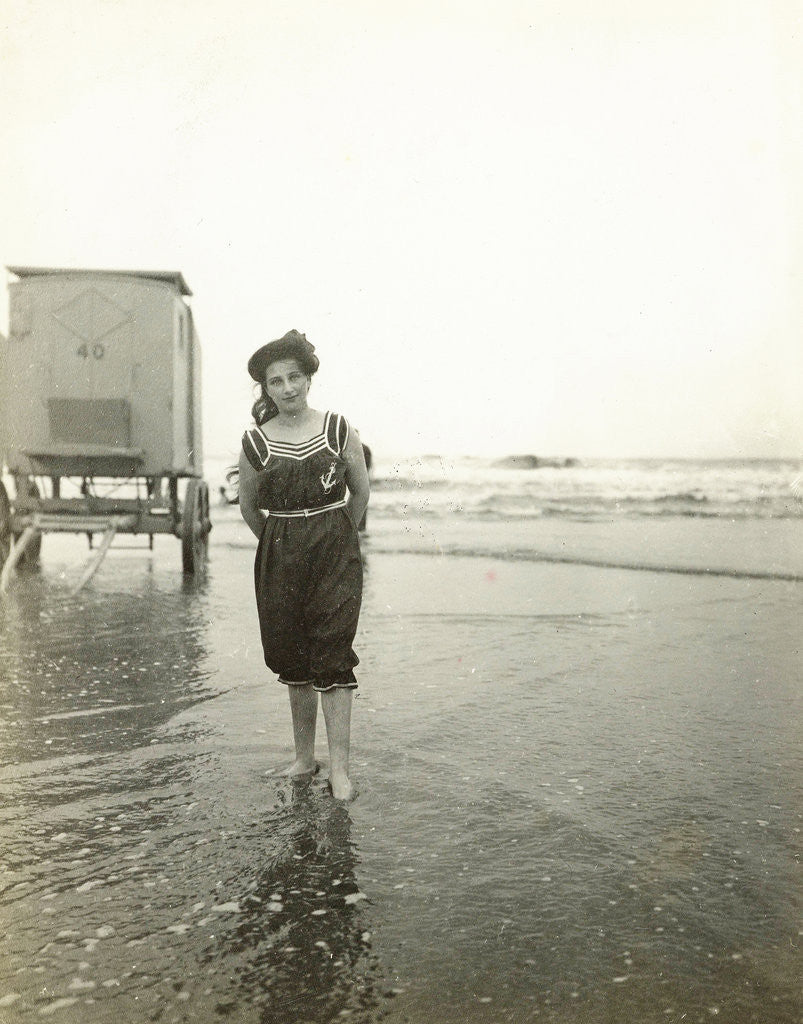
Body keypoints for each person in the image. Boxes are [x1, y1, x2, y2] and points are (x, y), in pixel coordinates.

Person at [238, 330, 370, 801]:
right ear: (266, 390)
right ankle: (302, 758)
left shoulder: (337, 428)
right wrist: (282, 541)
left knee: (332, 654)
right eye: (276, 382)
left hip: (335, 546)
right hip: (281, 550)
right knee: (292, 654)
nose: (288, 388)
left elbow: (361, 493)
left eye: (295, 377)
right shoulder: (256, 442)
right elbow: (249, 508)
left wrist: (335, 537)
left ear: (309, 378)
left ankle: (341, 770)